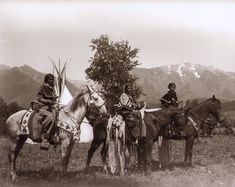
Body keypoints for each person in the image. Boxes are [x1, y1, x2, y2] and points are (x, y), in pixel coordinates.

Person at [37, 73, 57, 150]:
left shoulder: (52, 88)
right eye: (49, 79)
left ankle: (54, 136)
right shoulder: (43, 87)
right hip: (43, 106)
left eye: (52, 79)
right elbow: (39, 98)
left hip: (52, 106)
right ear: (46, 80)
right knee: (51, 117)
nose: (51, 81)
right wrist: (47, 101)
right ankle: (45, 138)